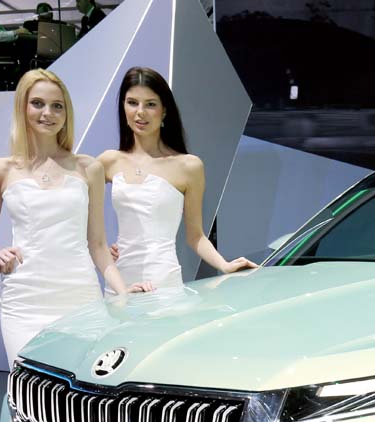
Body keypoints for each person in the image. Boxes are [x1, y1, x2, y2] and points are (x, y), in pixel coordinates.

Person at [0, 69, 152, 366]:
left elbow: (98, 245)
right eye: (38, 103)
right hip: (24, 300)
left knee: (81, 385)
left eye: (57, 106)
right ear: (22, 107)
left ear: (66, 113)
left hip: (80, 297)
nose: (48, 113)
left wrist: (123, 292)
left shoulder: (88, 168)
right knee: (28, 384)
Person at [98, 66, 256, 292]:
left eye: (150, 104)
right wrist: (100, 248)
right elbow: (71, 207)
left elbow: (196, 236)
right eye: (132, 102)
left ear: (164, 111)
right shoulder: (109, 161)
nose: (140, 112)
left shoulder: (188, 166)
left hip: (163, 280)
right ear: (123, 106)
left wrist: (225, 265)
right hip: (119, 283)